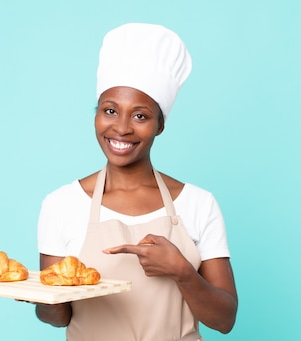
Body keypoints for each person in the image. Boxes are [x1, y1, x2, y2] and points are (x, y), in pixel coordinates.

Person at [34, 23, 237, 340]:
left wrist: (181, 271)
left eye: (140, 115)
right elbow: (57, 318)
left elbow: (224, 320)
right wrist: (41, 296)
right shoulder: (61, 204)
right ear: (97, 115)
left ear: (160, 125)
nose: (122, 128)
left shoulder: (198, 204)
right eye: (110, 110)